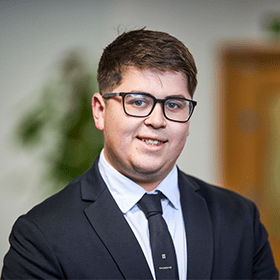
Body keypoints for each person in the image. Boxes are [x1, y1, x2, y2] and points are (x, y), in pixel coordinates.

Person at [1, 28, 278, 280]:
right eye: (138, 102)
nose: (157, 120)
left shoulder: (240, 219)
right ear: (100, 110)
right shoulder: (41, 235)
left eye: (174, 105)